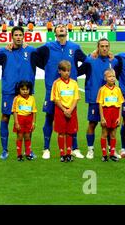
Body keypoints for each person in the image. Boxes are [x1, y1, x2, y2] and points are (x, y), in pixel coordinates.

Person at [34, 24, 86, 160]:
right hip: (53, 89)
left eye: (63, 27)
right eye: (59, 27)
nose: (61, 28)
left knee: (71, 119)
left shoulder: (74, 47)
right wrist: (47, 68)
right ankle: (46, 148)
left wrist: (75, 73)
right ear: (55, 32)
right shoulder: (47, 47)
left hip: (70, 91)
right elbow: (34, 56)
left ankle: (74, 148)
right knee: (49, 117)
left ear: (66, 31)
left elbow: (87, 62)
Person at [0, 26, 36, 160]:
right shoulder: (4, 51)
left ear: (24, 37)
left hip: (26, 92)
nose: (18, 37)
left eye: (20, 35)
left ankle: (28, 151)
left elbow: (46, 60)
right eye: (16, 35)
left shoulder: (30, 51)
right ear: (11, 37)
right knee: (5, 118)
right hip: (9, 90)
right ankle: (5, 150)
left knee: (28, 121)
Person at [81, 38, 118, 159]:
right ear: (98, 47)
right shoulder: (91, 59)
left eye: (107, 46)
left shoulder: (114, 61)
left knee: (110, 125)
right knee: (92, 123)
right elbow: (80, 69)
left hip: (110, 100)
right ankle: (90, 149)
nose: (104, 48)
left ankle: (111, 149)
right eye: (102, 46)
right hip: (94, 97)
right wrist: (89, 54)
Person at [50, 60, 80, 163]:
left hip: (72, 110)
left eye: (68, 71)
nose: (67, 73)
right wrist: (64, 110)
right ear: (59, 71)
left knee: (70, 133)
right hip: (60, 110)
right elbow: (56, 99)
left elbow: (76, 98)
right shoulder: (56, 83)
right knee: (61, 133)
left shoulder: (74, 83)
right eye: (64, 71)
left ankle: (68, 153)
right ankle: (62, 154)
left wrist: (70, 109)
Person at [96, 69, 124, 162]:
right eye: (109, 76)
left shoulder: (118, 90)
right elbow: (100, 104)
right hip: (106, 112)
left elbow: (120, 104)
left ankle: (112, 154)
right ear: (105, 78)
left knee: (113, 134)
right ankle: (104, 154)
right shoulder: (102, 90)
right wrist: (102, 117)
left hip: (115, 113)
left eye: (113, 76)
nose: (112, 78)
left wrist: (119, 117)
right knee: (104, 133)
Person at [12, 80, 37, 161]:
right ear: (19, 90)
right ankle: (19, 155)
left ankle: (28, 153)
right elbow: (15, 111)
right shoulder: (17, 99)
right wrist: (16, 122)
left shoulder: (32, 99)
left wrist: (33, 123)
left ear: (30, 90)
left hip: (28, 120)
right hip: (20, 119)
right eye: (23, 89)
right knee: (19, 137)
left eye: (27, 89)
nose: (25, 91)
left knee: (27, 137)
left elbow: (34, 111)